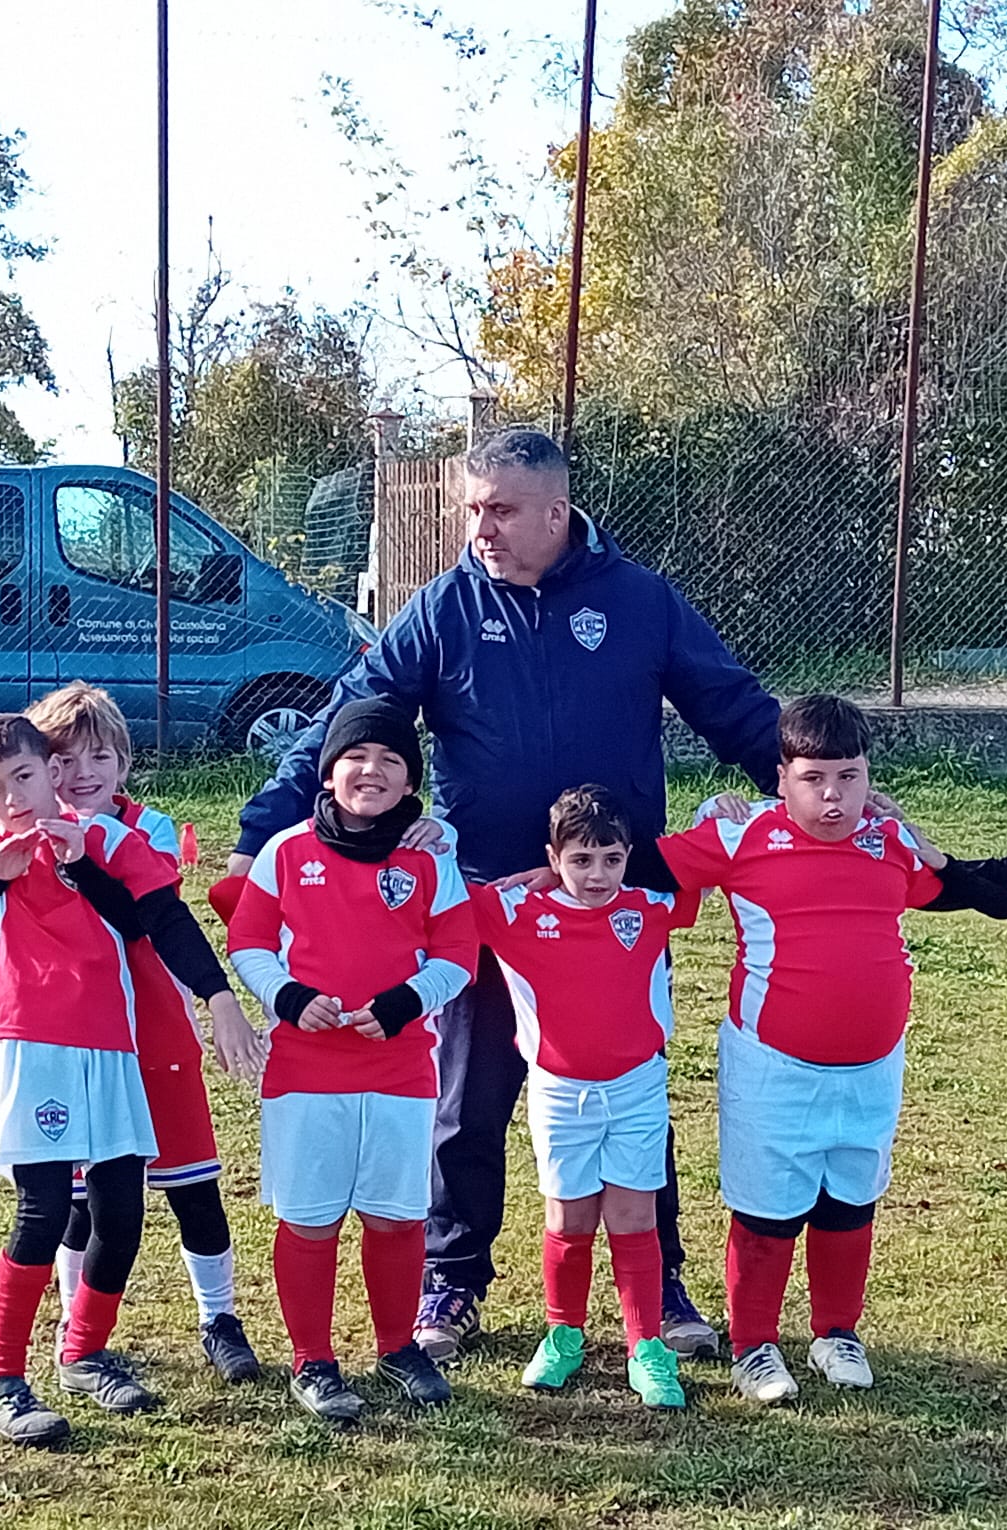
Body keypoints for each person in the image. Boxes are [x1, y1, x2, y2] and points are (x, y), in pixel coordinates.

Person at [231, 426, 780, 1361]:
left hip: (615, 899)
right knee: (467, 1099)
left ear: (558, 511)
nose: (479, 527)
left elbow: (734, 706)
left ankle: (665, 1286)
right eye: (470, 508)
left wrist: (811, 785)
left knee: (631, 1086)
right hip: (485, 899)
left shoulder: (641, 602)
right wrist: (259, 831)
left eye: (501, 509)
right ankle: (454, 1278)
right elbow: (349, 713)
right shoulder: (444, 608)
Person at [0, 713, 252, 1446]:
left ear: (52, 773)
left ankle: (83, 1353)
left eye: (25, 778)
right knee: (42, 1210)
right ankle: (0, 1381)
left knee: (120, 1211)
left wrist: (218, 995)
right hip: (27, 1039)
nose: (13, 798)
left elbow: (160, 920)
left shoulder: (108, 840)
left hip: (112, 1045)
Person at [654, 695, 1007, 1404]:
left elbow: (959, 885)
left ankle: (836, 1331)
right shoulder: (742, 837)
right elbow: (629, 866)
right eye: (815, 778)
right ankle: (755, 1344)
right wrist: (550, 872)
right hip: (773, 1065)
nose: (834, 796)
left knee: (850, 1202)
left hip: (871, 1066)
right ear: (782, 776)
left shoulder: (886, 838)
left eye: (849, 777)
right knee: (767, 1210)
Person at [0, 681, 266, 1384]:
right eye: (62, 760)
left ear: (124, 765)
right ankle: (72, 1331)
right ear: (37, 767)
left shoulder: (138, 832)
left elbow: (155, 919)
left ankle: (219, 1317)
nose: (81, 775)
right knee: (74, 1200)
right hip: (71, 1036)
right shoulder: (16, 836)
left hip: (155, 1036)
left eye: (100, 759)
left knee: (193, 1186)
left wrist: (215, 998)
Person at [225, 699, 479, 1425]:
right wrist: (289, 996)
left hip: (401, 1069)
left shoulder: (430, 855)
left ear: (409, 783)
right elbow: (248, 942)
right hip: (306, 1072)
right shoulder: (286, 851)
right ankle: (313, 1359)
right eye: (356, 758)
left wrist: (406, 1002)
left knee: (396, 1217)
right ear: (330, 771)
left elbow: (460, 953)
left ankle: (399, 1347)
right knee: (310, 1220)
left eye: (391, 762)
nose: (371, 771)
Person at [470, 786, 698, 1410]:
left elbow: (701, 864)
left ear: (628, 858)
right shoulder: (515, 913)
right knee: (568, 1219)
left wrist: (719, 811)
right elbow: (452, 900)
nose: (597, 875)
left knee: (634, 1218)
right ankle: (563, 1333)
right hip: (558, 1090)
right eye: (580, 860)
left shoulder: (651, 907)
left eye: (611, 859)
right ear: (554, 858)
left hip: (636, 1087)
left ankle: (645, 1346)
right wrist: (532, 876)